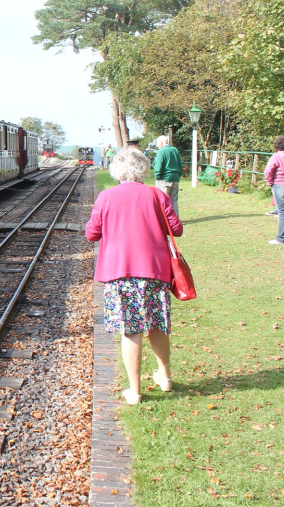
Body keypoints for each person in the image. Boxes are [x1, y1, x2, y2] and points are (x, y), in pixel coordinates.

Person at [86, 149, 182, 405]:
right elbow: (177, 229)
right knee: (157, 324)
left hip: (120, 272)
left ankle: (135, 391)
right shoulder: (156, 194)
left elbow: (92, 234)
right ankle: (165, 377)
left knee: (131, 330)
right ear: (143, 169)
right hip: (154, 269)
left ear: (116, 170)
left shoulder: (106, 197)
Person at [152, 135, 183, 216]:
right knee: (174, 200)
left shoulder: (161, 151)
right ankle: (176, 219)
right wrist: (179, 174)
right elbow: (180, 164)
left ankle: (165, 219)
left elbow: (158, 166)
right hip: (175, 178)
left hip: (164, 179)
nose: (158, 145)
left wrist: (157, 177)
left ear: (161, 143)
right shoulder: (175, 150)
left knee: (163, 200)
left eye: (158, 143)